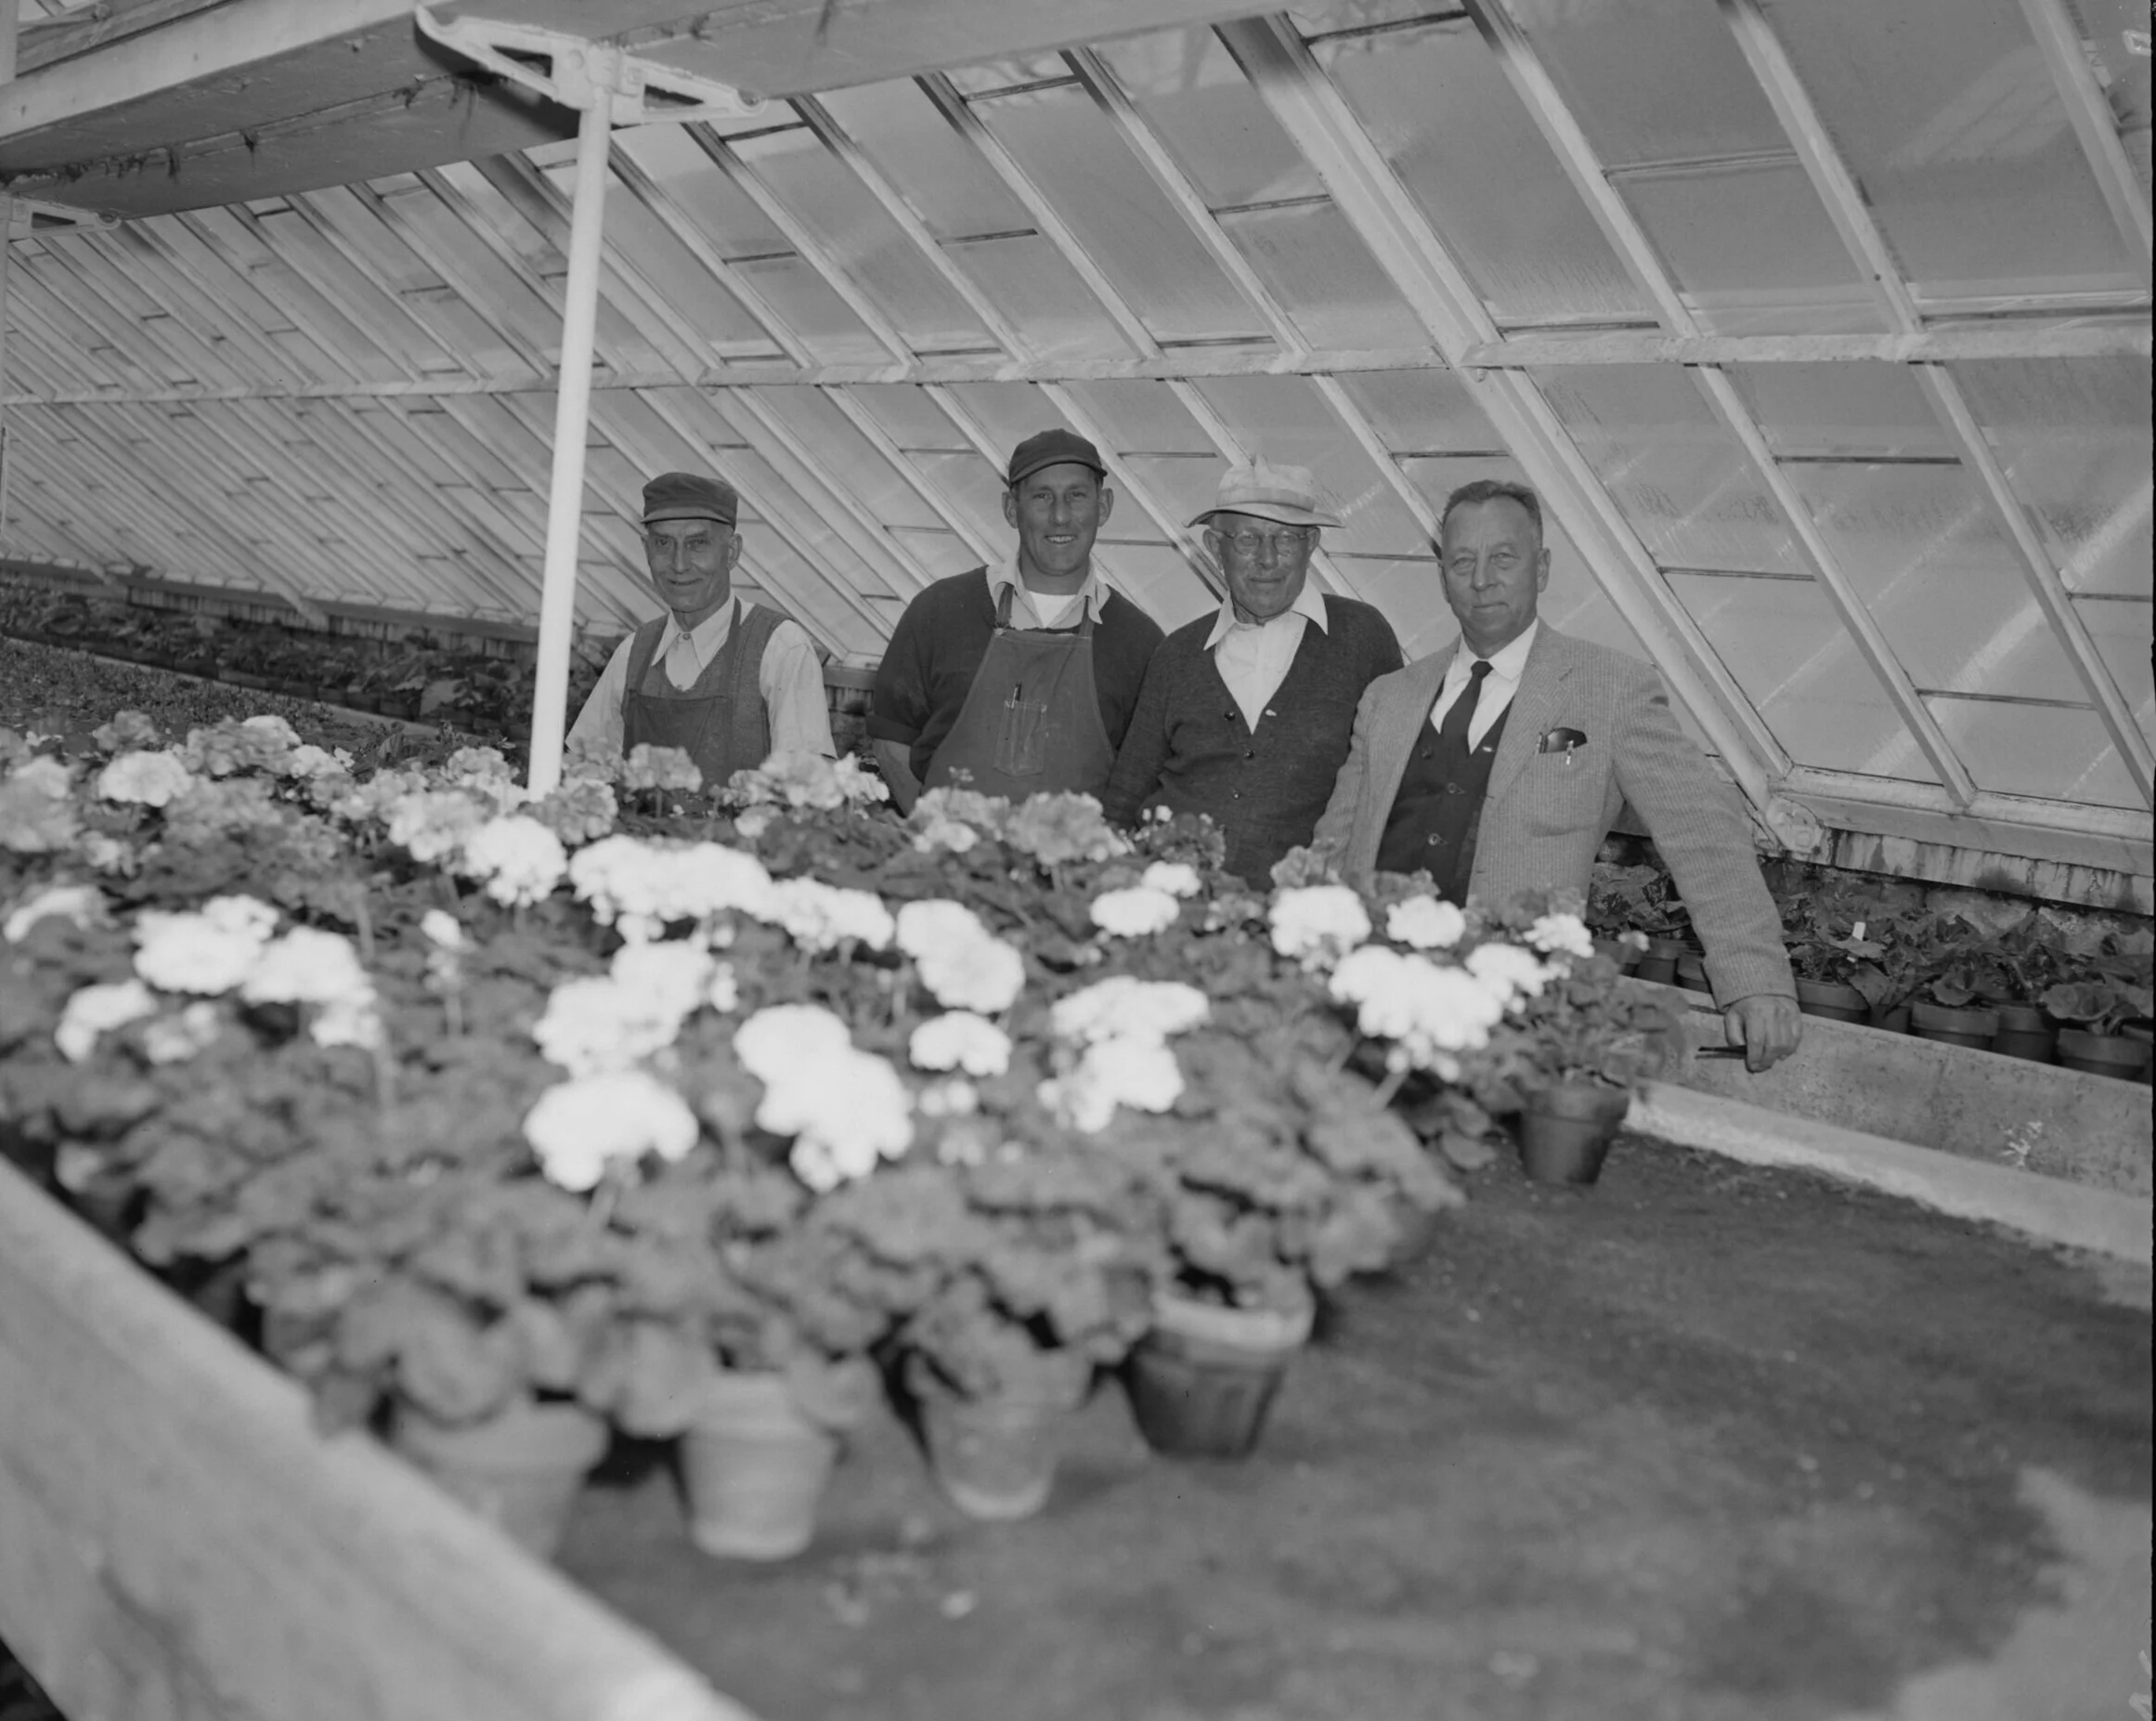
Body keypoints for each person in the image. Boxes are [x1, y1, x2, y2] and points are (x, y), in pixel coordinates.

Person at [1311, 478, 1800, 1072]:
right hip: (1367, 998)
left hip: (1512, 1018)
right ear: (1442, 574)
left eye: (1504, 558)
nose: (1482, 578)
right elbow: (1333, 843)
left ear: (1541, 568)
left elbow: (1703, 831)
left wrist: (1755, 981)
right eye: (1462, 561)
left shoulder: (1610, 689)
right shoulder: (1388, 697)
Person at [1103, 461, 1402, 883]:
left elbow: (1395, 783)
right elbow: (1125, 797)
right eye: (1247, 539)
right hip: (1174, 900)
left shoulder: (1361, 638)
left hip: (1298, 912)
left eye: (1286, 539)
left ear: (1311, 543)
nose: (1267, 558)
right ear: (1213, 546)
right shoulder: (1179, 654)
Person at [869, 429, 1164, 812]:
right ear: (1012, 508)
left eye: (1076, 495)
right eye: (1042, 497)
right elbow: (892, 732)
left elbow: (1142, 775)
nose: (1060, 516)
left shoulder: (1139, 642)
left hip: (1075, 868)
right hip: (943, 862)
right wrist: (929, 833)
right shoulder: (940, 611)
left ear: (1103, 506)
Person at [566, 472, 834, 781]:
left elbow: (805, 789)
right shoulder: (634, 652)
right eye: (663, 543)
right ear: (646, 549)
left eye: (697, 544)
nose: (679, 564)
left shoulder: (780, 647)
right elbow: (584, 768)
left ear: (732, 552)